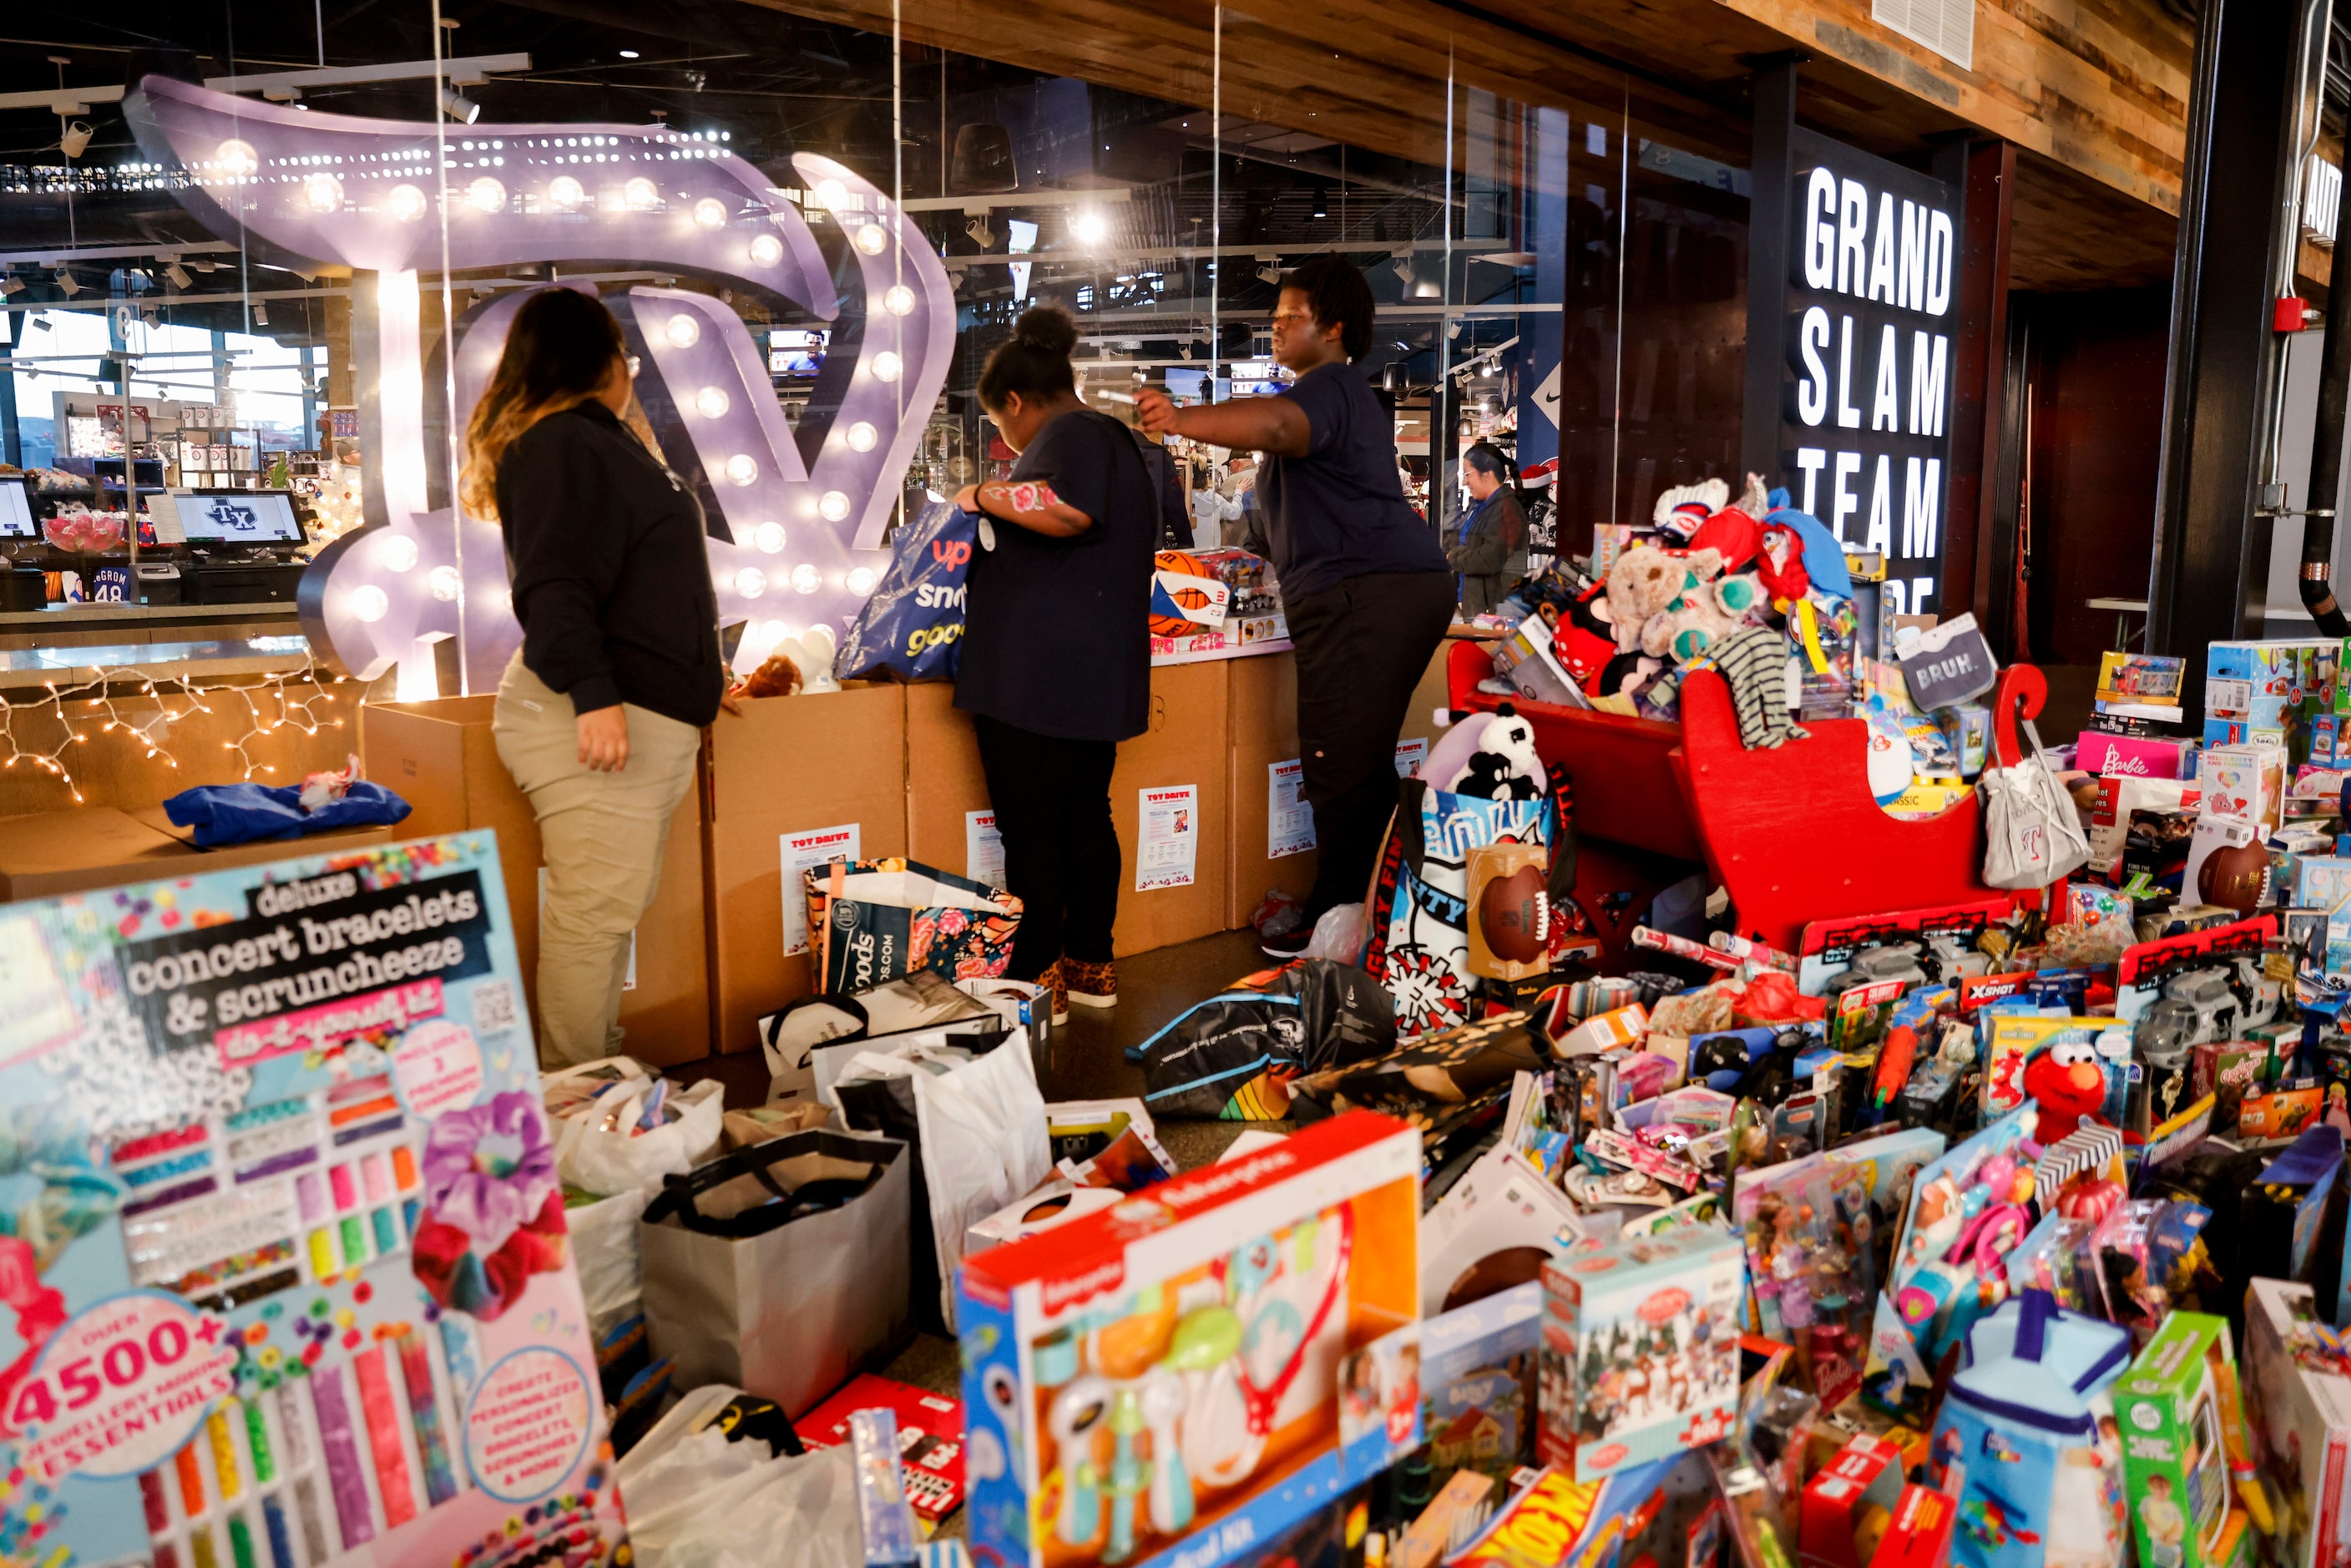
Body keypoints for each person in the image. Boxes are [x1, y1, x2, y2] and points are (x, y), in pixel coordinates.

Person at [1137, 256, 1454, 955]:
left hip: (1367, 592)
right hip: (1379, 586)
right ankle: (1370, 908)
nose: (1275, 327)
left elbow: (1278, 427)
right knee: (1355, 763)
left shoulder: (1332, 387)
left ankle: (1346, 920)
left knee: (1338, 766)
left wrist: (1182, 418)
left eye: (1291, 316)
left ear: (1334, 328)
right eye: (1274, 317)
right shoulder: (1337, 397)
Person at [462, 286, 727, 1067]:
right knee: (591, 915)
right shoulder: (565, 445)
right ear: (606, 359)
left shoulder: (592, 441)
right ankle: (576, 1097)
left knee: (608, 910)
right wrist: (595, 696)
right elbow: (555, 586)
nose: (632, 372)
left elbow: (629, 583)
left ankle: (597, 1079)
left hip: (632, 710)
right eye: (628, 357)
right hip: (599, 716)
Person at [955, 306, 1156, 1019]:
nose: (1005, 444)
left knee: (1034, 829)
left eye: (1000, 426)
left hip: (1035, 677)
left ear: (1015, 402)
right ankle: (1091, 964)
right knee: (1083, 819)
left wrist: (978, 494)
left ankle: (1039, 976)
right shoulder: (1114, 440)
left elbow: (1065, 510)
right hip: (1094, 673)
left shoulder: (1069, 434)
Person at [1448, 442, 1528, 617]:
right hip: (1472, 607)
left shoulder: (1507, 509)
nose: (1464, 481)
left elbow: (1488, 559)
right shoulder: (1477, 506)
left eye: (1468, 474)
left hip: (1493, 613)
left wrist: (1452, 556)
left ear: (1487, 475)